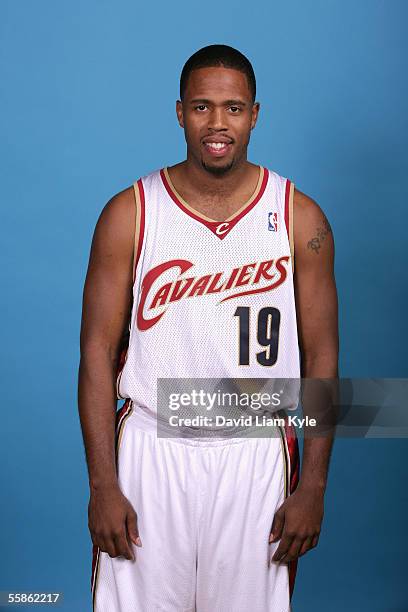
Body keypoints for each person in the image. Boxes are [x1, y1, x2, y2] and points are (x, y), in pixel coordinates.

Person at [78, 44, 339, 612]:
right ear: (179, 112)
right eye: (202, 107)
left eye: (233, 108)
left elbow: (321, 359)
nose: (218, 123)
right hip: (151, 447)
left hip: (256, 451)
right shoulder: (131, 212)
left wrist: (314, 486)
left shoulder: (300, 217)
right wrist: (102, 485)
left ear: (255, 114)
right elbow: (97, 353)